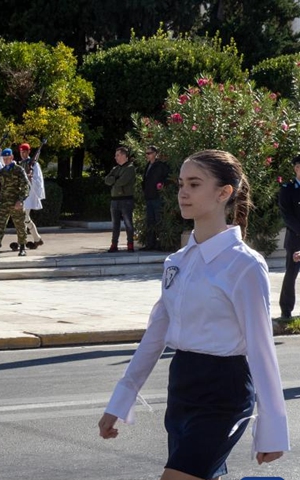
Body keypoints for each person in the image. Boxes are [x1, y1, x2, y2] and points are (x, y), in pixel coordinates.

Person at [98, 150, 289, 480]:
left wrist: (272, 427)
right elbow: (155, 336)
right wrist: (120, 400)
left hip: (223, 393)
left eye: (195, 184)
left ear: (223, 193)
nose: (183, 193)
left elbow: (261, 349)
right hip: (182, 385)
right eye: (181, 184)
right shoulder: (177, 262)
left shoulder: (243, 264)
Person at [0, 148, 30, 257]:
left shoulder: (19, 170)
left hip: (16, 203)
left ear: (12, 158)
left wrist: (20, 200)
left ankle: (22, 247)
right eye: (4, 159)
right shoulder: (1, 172)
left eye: (7, 158)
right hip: (3, 203)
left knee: (20, 225)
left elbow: (25, 186)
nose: (5, 161)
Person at [278, 155, 300, 318]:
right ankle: (286, 310)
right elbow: (287, 215)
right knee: (291, 274)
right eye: (299, 167)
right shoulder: (287, 188)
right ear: (296, 168)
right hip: (295, 239)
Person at [104, 146, 136, 252]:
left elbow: (122, 181)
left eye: (118, 155)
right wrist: (115, 179)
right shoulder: (115, 169)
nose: (115, 157)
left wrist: (114, 180)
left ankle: (130, 244)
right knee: (115, 224)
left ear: (124, 155)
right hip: (114, 200)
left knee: (128, 223)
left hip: (126, 199)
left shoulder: (130, 168)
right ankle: (114, 244)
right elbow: (106, 180)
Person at [141, 145, 170, 250]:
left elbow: (168, 178)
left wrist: (162, 185)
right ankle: (150, 244)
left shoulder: (160, 166)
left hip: (157, 197)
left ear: (155, 154)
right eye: (146, 153)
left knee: (159, 221)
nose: (147, 155)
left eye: (149, 153)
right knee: (150, 222)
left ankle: (162, 244)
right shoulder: (148, 165)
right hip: (149, 197)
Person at [18, 143, 45, 250]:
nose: (23, 154)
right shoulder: (20, 164)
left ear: (29, 152)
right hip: (20, 195)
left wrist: (31, 179)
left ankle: (22, 242)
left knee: (23, 218)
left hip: (28, 195)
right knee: (25, 218)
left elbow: (39, 180)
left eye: (25, 151)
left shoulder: (34, 164)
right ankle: (37, 239)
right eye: (21, 151)